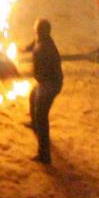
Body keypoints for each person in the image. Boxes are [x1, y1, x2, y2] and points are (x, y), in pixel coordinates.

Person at [23, 17, 64, 166]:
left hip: (49, 85)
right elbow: (33, 43)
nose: (33, 28)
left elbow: (39, 74)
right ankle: (34, 123)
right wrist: (21, 49)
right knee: (32, 96)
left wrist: (22, 74)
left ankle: (44, 155)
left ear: (38, 30)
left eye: (35, 27)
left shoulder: (42, 50)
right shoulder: (43, 38)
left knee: (42, 116)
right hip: (49, 81)